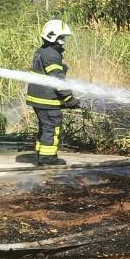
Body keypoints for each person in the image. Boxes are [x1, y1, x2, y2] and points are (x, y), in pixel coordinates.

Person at [26, 19, 77, 165]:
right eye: (61, 38)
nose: (63, 41)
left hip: (39, 99)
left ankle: (41, 155)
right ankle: (48, 158)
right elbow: (57, 80)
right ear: (53, 37)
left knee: (44, 128)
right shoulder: (52, 55)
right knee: (52, 129)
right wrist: (69, 98)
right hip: (48, 100)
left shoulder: (42, 51)